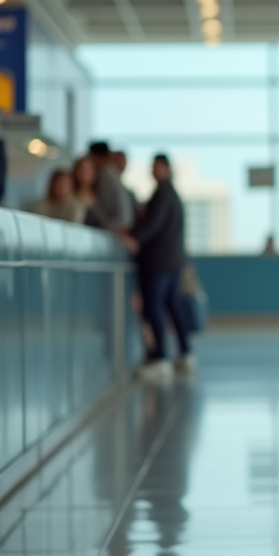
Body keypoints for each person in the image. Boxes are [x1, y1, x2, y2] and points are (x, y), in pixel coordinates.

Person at [118, 154, 193, 385]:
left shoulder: (162, 194)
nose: (153, 170)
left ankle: (160, 357)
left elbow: (154, 224)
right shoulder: (172, 194)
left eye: (157, 167)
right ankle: (184, 353)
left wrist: (135, 238)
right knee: (172, 306)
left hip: (159, 262)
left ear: (166, 169)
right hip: (173, 261)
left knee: (154, 307)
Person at [85, 141, 134, 231]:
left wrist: (91, 204)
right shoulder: (113, 174)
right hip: (119, 226)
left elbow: (104, 210)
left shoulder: (105, 176)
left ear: (95, 157)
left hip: (114, 228)